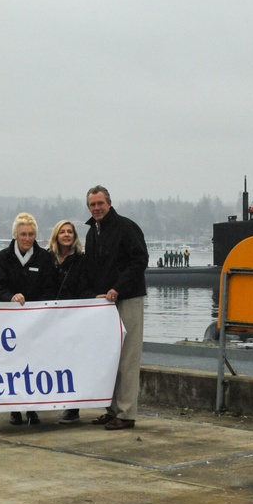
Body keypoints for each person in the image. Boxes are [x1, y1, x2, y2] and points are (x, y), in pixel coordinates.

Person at [83, 185, 148, 431]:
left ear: (109, 203)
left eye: (100, 204)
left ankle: (126, 413)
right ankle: (111, 410)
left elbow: (140, 259)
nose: (97, 208)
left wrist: (118, 287)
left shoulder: (126, 227)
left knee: (128, 358)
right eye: (92, 205)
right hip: (104, 304)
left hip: (127, 299)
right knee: (109, 359)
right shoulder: (93, 233)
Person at [0, 212, 56, 425]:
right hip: (10, 323)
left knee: (34, 366)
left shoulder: (45, 258)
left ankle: (32, 408)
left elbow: (49, 289)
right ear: (15, 236)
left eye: (31, 234)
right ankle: (15, 409)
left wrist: (38, 308)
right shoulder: (2, 258)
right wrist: (10, 297)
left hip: (36, 322)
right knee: (12, 365)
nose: (27, 238)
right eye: (23, 234)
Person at [48, 219, 87, 424]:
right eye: (62, 231)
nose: (66, 235)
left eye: (70, 232)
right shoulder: (47, 259)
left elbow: (87, 286)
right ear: (56, 235)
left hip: (73, 318)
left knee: (72, 362)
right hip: (50, 318)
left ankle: (72, 407)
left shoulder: (82, 260)